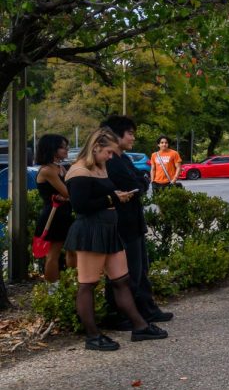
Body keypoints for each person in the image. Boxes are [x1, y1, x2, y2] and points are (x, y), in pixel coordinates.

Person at [64, 128, 168, 350]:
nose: (111, 157)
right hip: (91, 231)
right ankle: (92, 336)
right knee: (87, 284)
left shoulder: (99, 167)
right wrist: (113, 197)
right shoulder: (78, 171)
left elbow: (100, 197)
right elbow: (80, 206)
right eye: (108, 153)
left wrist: (114, 197)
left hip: (109, 229)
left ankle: (140, 326)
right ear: (96, 148)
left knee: (121, 280)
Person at [100, 115, 172, 327]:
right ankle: (121, 314)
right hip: (122, 223)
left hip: (134, 220)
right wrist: (140, 182)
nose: (133, 137)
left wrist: (141, 181)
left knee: (141, 268)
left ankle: (146, 309)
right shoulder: (111, 161)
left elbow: (140, 182)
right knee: (125, 272)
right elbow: (135, 183)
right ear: (116, 135)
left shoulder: (124, 159)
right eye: (130, 133)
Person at [33, 133, 76, 283]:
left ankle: (73, 284)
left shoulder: (62, 168)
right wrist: (68, 196)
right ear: (52, 149)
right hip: (53, 216)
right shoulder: (47, 170)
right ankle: (53, 291)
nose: (67, 150)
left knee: (73, 250)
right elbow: (67, 192)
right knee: (53, 255)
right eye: (63, 147)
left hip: (65, 214)